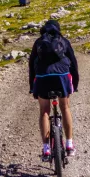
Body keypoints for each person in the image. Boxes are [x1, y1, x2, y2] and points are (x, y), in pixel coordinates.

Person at [29, 19, 79, 159]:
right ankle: (69, 144)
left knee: (44, 111)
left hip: (42, 77)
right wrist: (74, 84)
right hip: (61, 77)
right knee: (65, 108)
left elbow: (31, 64)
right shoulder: (63, 41)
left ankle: (46, 149)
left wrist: (32, 87)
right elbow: (73, 64)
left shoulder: (39, 42)